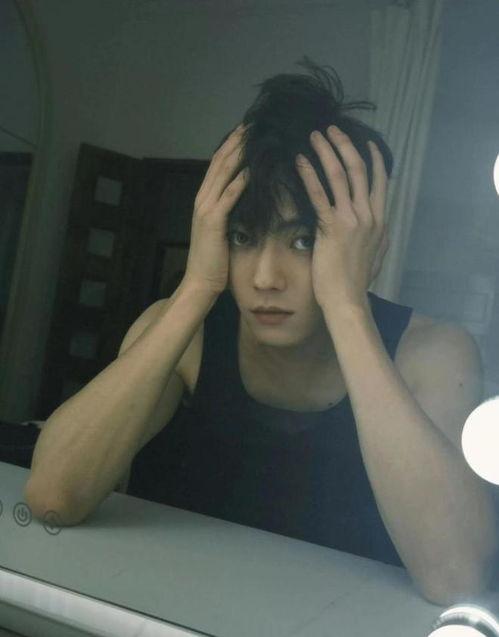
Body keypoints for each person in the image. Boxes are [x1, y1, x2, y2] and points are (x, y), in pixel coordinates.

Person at [25, 58, 498, 605]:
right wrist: (197, 286)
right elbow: (53, 497)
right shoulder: (185, 333)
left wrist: (347, 306)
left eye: (303, 241)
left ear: (363, 241)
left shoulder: (433, 354)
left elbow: (456, 576)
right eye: (243, 237)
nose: (265, 278)